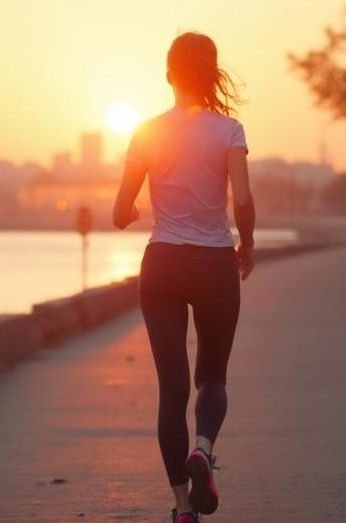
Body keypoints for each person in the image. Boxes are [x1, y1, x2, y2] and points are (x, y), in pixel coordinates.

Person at [112, 31, 255, 523]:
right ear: (211, 73)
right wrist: (248, 244)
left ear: (169, 74)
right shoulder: (229, 131)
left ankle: (181, 510)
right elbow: (243, 201)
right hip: (215, 263)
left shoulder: (146, 132)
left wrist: (134, 211)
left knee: (171, 392)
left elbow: (118, 211)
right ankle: (203, 449)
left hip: (164, 265)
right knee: (212, 378)